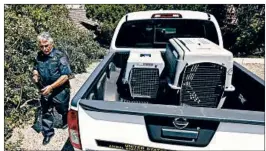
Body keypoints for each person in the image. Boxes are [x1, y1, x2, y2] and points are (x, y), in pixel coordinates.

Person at [32, 32, 72, 145]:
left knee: (62, 108)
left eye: (46, 46)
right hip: (45, 89)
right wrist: (35, 74)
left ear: (52, 44)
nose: (44, 49)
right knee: (46, 111)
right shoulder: (38, 56)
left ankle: (65, 119)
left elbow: (65, 76)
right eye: (41, 46)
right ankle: (48, 133)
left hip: (60, 90)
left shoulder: (60, 56)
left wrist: (52, 87)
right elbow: (35, 67)